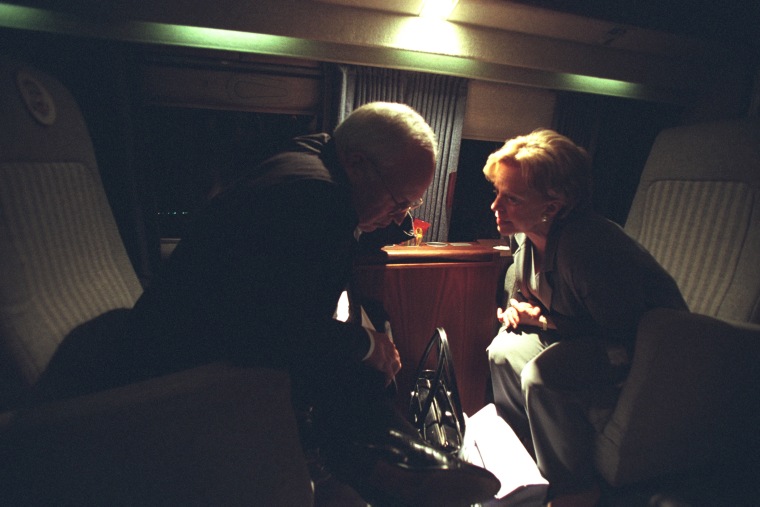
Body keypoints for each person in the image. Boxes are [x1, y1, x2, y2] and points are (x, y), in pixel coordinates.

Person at [32, 102, 499, 506]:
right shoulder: (315, 198)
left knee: (352, 351)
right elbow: (271, 332)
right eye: (399, 202)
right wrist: (365, 344)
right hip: (181, 370)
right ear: (357, 163)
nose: (399, 220)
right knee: (355, 354)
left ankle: (387, 456)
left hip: (174, 335)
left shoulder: (309, 156)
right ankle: (386, 458)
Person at [482, 129, 688, 507]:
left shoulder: (589, 249)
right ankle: (527, 461)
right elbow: (527, 294)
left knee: (544, 376)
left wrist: (545, 323)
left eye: (511, 198)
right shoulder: (528, 240)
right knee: (502, 351)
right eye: (498, 193)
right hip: (592, 335)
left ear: (554, 206)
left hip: (652, 353)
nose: (497, 206)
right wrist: (519, 312)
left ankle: (576, 489)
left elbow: (627, 333)